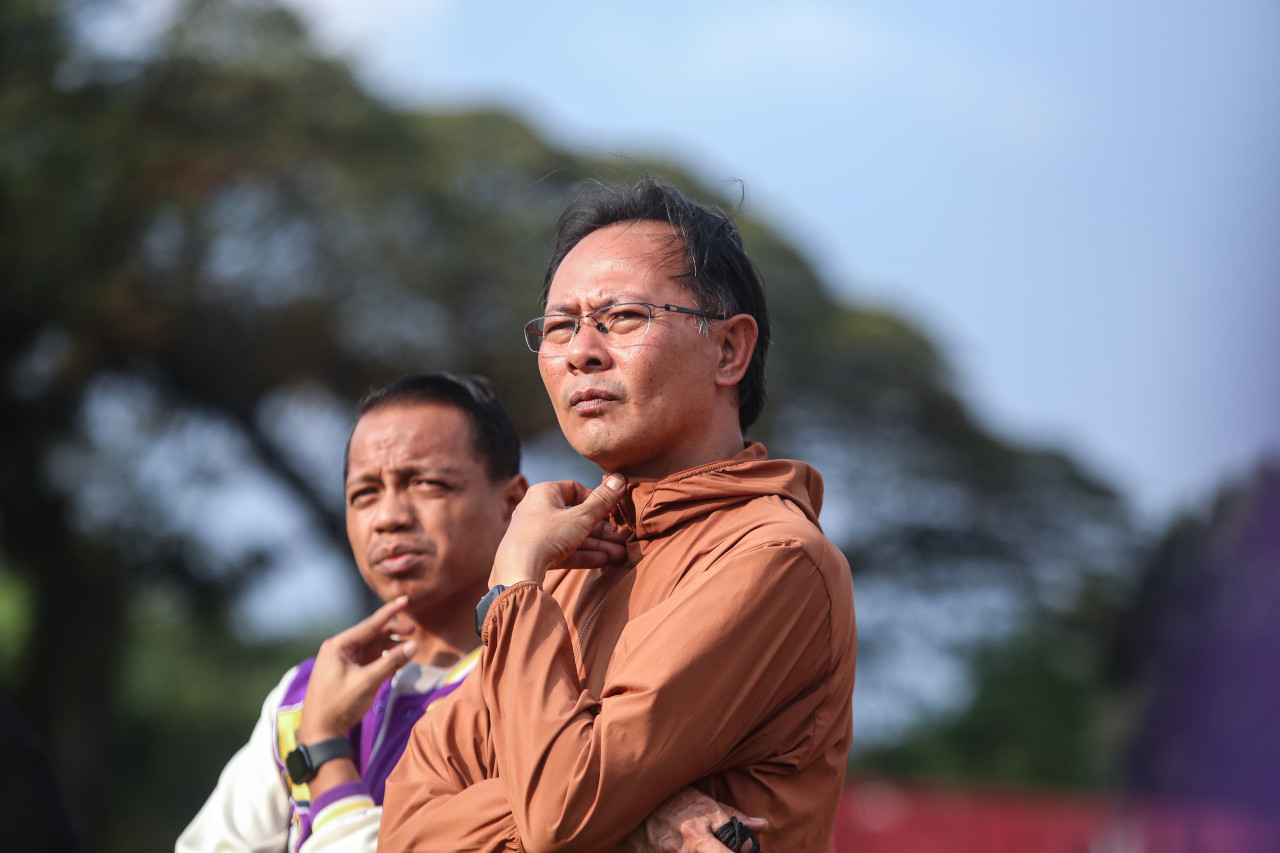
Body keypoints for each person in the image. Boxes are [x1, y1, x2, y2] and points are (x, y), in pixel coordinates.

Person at [380, 176, 858, 852]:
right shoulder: (576, 561)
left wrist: (514, 580)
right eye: (559, 326)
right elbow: (403, 826)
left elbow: (563, 810)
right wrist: (644, 815)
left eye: (623, 317)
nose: (582, 351)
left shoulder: (771, 558)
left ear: (729, 349)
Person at [177, 373, 529, 853]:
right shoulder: (301, 694)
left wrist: (321, 748)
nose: (388, 517)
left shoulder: (539, 685)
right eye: (364, 493)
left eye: (426, 483)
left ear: (512, 504)